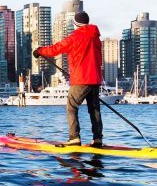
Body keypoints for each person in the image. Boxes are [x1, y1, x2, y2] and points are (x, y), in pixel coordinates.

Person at [33, 11, 104, 147]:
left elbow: (56, 49)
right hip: (95, 78)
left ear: (75, 24)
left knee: (71, 106)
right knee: (94, 109)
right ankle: (98, 139)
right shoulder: (96, 38)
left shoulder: (74, 37)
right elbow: (99, 59)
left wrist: (40, 50)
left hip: (81, 79)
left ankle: (74, 138)